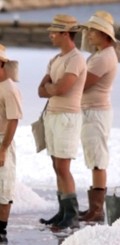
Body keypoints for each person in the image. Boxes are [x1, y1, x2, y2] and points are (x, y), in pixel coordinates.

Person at [37, 14, 87, 231]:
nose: (50, 35)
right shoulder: (55, 60)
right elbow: (41, 91)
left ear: (66, 34)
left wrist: (51, 88)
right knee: (56, 165)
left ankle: (72, 214)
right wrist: (51, 88)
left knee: (64, 167)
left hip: (67, 117)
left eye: (54, 32)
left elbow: (60, 89)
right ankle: (63, 210)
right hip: (52, 115)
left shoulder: (76, 59)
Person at [78, 10, 120, 223]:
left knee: (97, 159)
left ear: (104, 34)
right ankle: (94, 209)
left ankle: (96, 210)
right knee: (95, 158)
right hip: (93, 110)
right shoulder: (100, 55)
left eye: (92, 31)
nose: (88, 35)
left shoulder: (103, 57)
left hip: (96, 111)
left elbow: (82, 84)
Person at [0, 44, 22, 244]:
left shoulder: (9, 88)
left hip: (2, 138)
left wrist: (3, 148)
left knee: (3, 186)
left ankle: (1, 229)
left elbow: (14, 120)